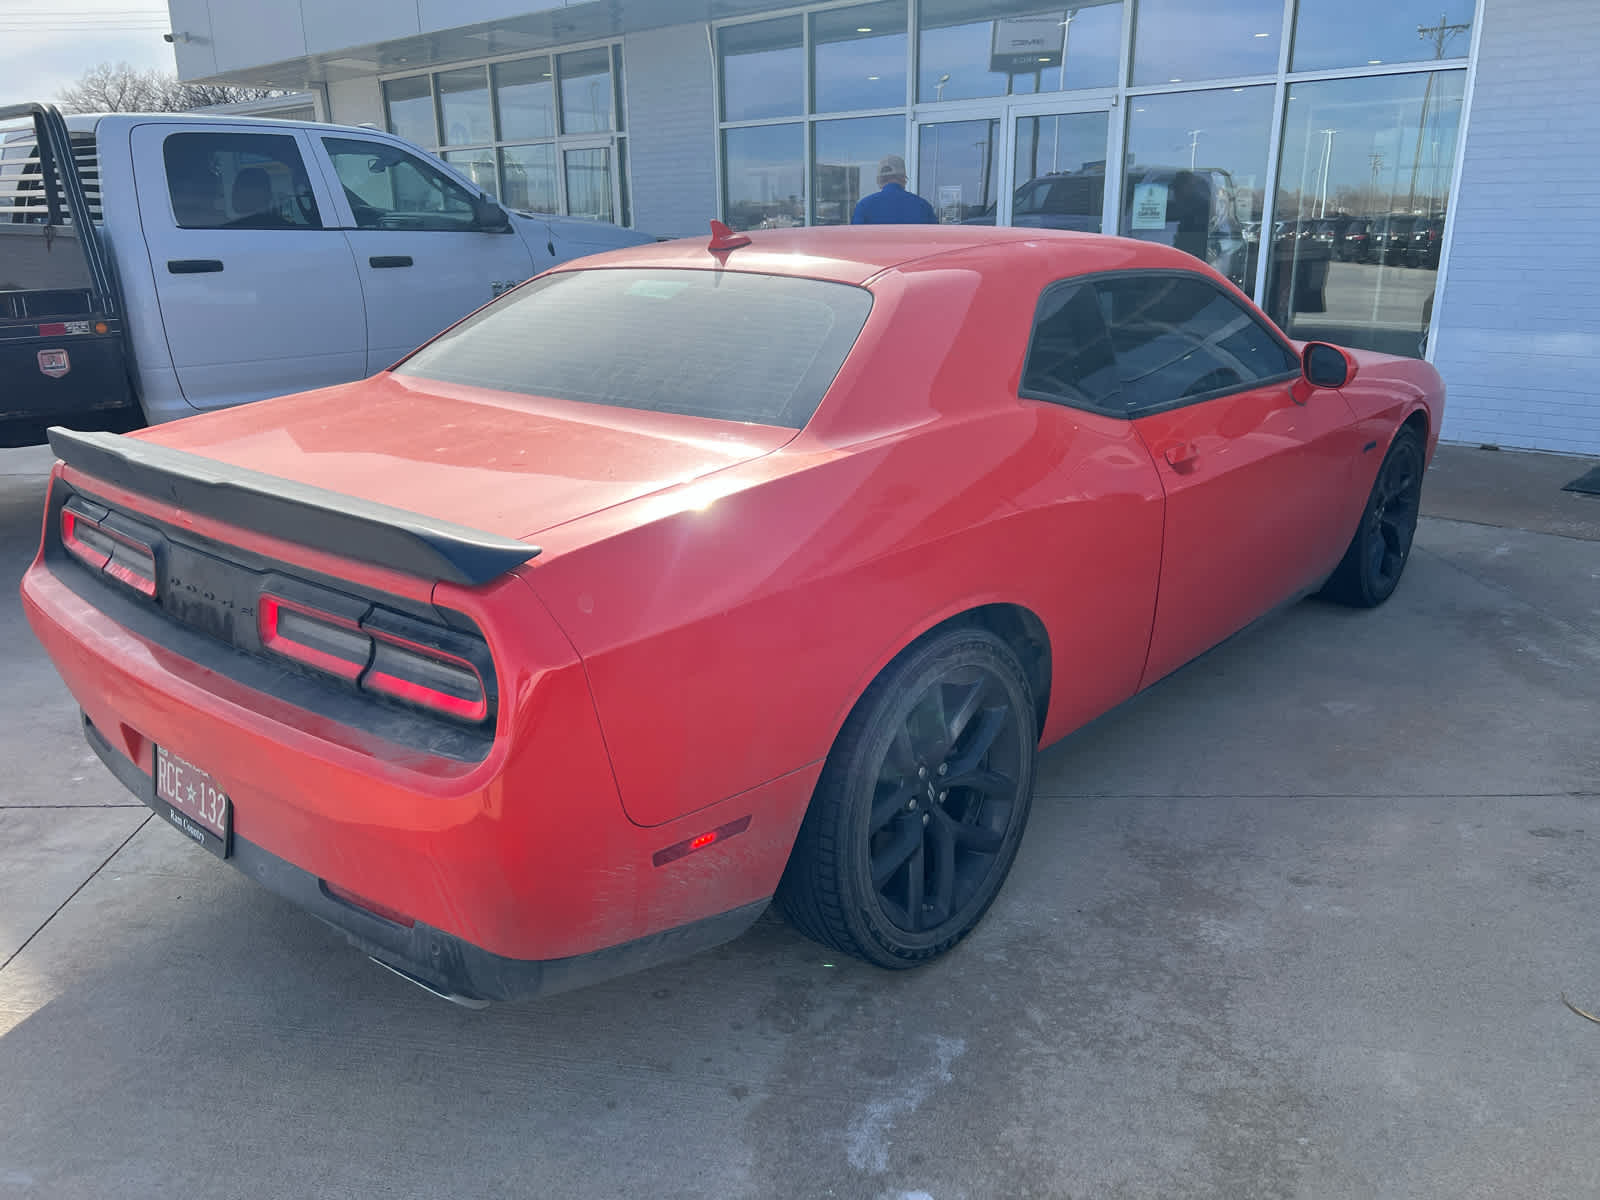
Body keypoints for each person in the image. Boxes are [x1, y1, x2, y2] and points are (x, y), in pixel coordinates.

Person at [851, 155, 937, 225]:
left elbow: (855, 241)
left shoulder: (863, 206)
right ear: (904, 179)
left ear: (879, 180)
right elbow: (934, 241)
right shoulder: (924, 207)